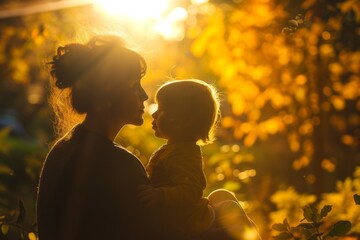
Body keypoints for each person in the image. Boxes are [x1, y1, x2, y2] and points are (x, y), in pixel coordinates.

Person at [37, 35, 164, 240]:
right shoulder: (120, 164)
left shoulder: (62, 149)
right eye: (134, 85)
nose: (144, 96)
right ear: (109, 91)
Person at [138, 80, 261, 240]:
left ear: (186, 120)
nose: (154, 113)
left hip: (190, 225)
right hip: (189, 219)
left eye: (162, 109)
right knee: (222, 196)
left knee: (232, 220)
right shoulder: (174, 149)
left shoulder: (183, 153)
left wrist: (161, 195)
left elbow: (192, 190)